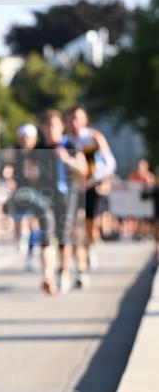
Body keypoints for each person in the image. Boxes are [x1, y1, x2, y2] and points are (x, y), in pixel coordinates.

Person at [32, 110, 88, 294]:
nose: (50, 130)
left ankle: (63, 272)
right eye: (47, 126)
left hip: (67, 194)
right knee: (46, 233)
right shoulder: (38, 149)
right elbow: (28, 173)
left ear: (61, 127)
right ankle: (47, 276)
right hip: (44, 197)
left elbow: (83, 168)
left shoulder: (69, 144)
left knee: (64, 235)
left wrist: (67, 160)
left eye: (54, 125)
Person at [65, 104, 116, 286]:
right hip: (73, 190)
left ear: (85, 119)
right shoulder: (65, 141)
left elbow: (110, 162)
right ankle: (80, 264)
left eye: (78, 118)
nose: (74, 122)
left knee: (91, 227)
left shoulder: (93, 138)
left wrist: (96, 176)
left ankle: (91, 246)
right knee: (75, 227)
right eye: (71, 118)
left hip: (92, 186)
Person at [2, 123, 42, 271]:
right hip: (19, 190)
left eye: (28, 137)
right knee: (19, 219)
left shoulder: (38, 152)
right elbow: (8, 167)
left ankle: (31, 253)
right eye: (23, 137)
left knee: (33, 222)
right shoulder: (14, 152)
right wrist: (8, 178)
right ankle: (22, 240)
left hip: (36, 190)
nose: (25, 140)